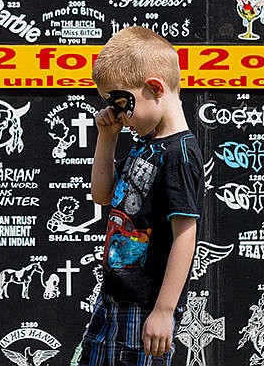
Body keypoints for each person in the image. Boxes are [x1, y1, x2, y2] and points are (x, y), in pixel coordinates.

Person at [78, 26, 204, 366]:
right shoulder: (145, 144)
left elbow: (185, 235)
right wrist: (107, 138)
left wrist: (164, 311)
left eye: (121, 103)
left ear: (154, 88)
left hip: (144, 307)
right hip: (113, 298)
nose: (117, 114)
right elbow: (102, 195)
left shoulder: (180, 154)